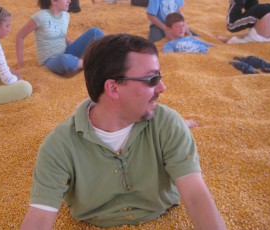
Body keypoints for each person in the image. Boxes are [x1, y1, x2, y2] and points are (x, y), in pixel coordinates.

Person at [20, 34, 226, 229]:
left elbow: (195, 195)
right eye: (152, 79)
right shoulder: (58, 146)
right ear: (113, 89)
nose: (162, 87)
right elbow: (39, 218)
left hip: (163, 210)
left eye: (159, 76)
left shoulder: (168, 124)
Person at [16, 0, 104, 76]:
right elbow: (20, 36)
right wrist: (20, 63)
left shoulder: (66, 16)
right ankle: (90, 63)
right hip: (50, 60)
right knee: (64, 60)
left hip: (66, 52)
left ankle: (107, 54)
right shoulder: (40, 17)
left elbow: (61, 35)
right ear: (54, 1)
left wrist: (76, 45)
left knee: (95, 32)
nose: (70, 1)